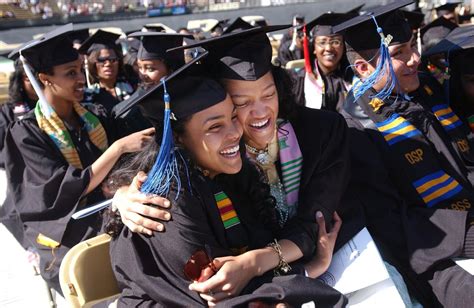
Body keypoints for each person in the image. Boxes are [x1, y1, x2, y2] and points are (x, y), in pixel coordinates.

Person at [106, 58, 345, 307]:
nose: (234, 133)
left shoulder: (225, 179)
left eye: (233, 117)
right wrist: (310, 270)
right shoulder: (163, 204)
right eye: (215, 127)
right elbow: (216, 290)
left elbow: (244, 272)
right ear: (178, 139)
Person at [335, 1, 474, 306]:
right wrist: (466, 235)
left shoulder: (425, 91)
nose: (415, 59)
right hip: (433, 255)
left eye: (413, 45)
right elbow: (389, 221)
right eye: (399, 53)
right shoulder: (356, 127)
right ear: (363, 68)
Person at [0, 24, 154, 292]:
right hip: (67, 231)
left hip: (112, 209)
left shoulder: (94, 116)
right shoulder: (27, 132)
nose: (81, 79)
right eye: (70, 73)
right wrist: (116, 149)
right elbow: (60, 189)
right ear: (45, 78)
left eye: (80, 70)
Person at [292, 12, 355, 111]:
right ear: (313, 48)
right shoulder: (300, 80)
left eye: (335, 42)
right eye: (322, 42)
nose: (329, 48)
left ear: (344, 46)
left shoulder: (355, 77)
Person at [79, 29, 135, 113]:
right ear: (93, 64)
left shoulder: (133, 87)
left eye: (113, 60)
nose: (108, 64)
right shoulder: (88, 97)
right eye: (102, 60)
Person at [0, 58, 38, 167]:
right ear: (20, 80)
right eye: (29, 77)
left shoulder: (59, 107)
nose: (37, 81)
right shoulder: (7, 113)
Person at [419, 17, 458, 87]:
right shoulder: (423, 77)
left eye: (446, 49)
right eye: (437, 50)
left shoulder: (459, 69)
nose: (442, 54)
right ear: (428, 53)